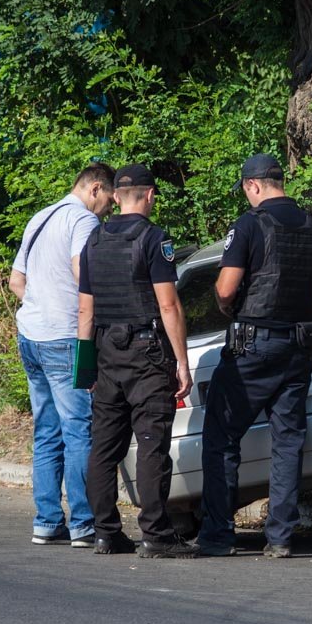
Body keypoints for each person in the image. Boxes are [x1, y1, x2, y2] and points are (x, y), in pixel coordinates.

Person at [198, 153, 312, 559]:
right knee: (288, 441)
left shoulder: (248, 225)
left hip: (251, 347)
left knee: (221, 436)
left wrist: (230, 309)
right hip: (298, 347)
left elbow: (225, 289)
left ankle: (218, 535)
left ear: (252, 186)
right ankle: (279, 538)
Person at [76, 163, 196, 558]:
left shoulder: (93, 241)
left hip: (106, 352)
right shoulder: (155, 239)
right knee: (150, 445)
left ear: (114, 197)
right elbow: (168, 304)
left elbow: (85, 312)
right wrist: (182, 362)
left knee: (104, 448)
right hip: (146, 354)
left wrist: (86, 366)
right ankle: (156, 536)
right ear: (150, 195)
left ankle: (105, 533)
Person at [9, 163, 115, 547]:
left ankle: (47, 520)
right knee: (78, 430)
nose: (108, 209)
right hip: (66, 338)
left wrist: (40, 304)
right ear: (96, 189)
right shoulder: (83, 222)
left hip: (30, 336)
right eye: (108, 201)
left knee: (46, 431)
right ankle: (84, 524)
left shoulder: (39, 217)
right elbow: (83, 276)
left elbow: (15, 280)